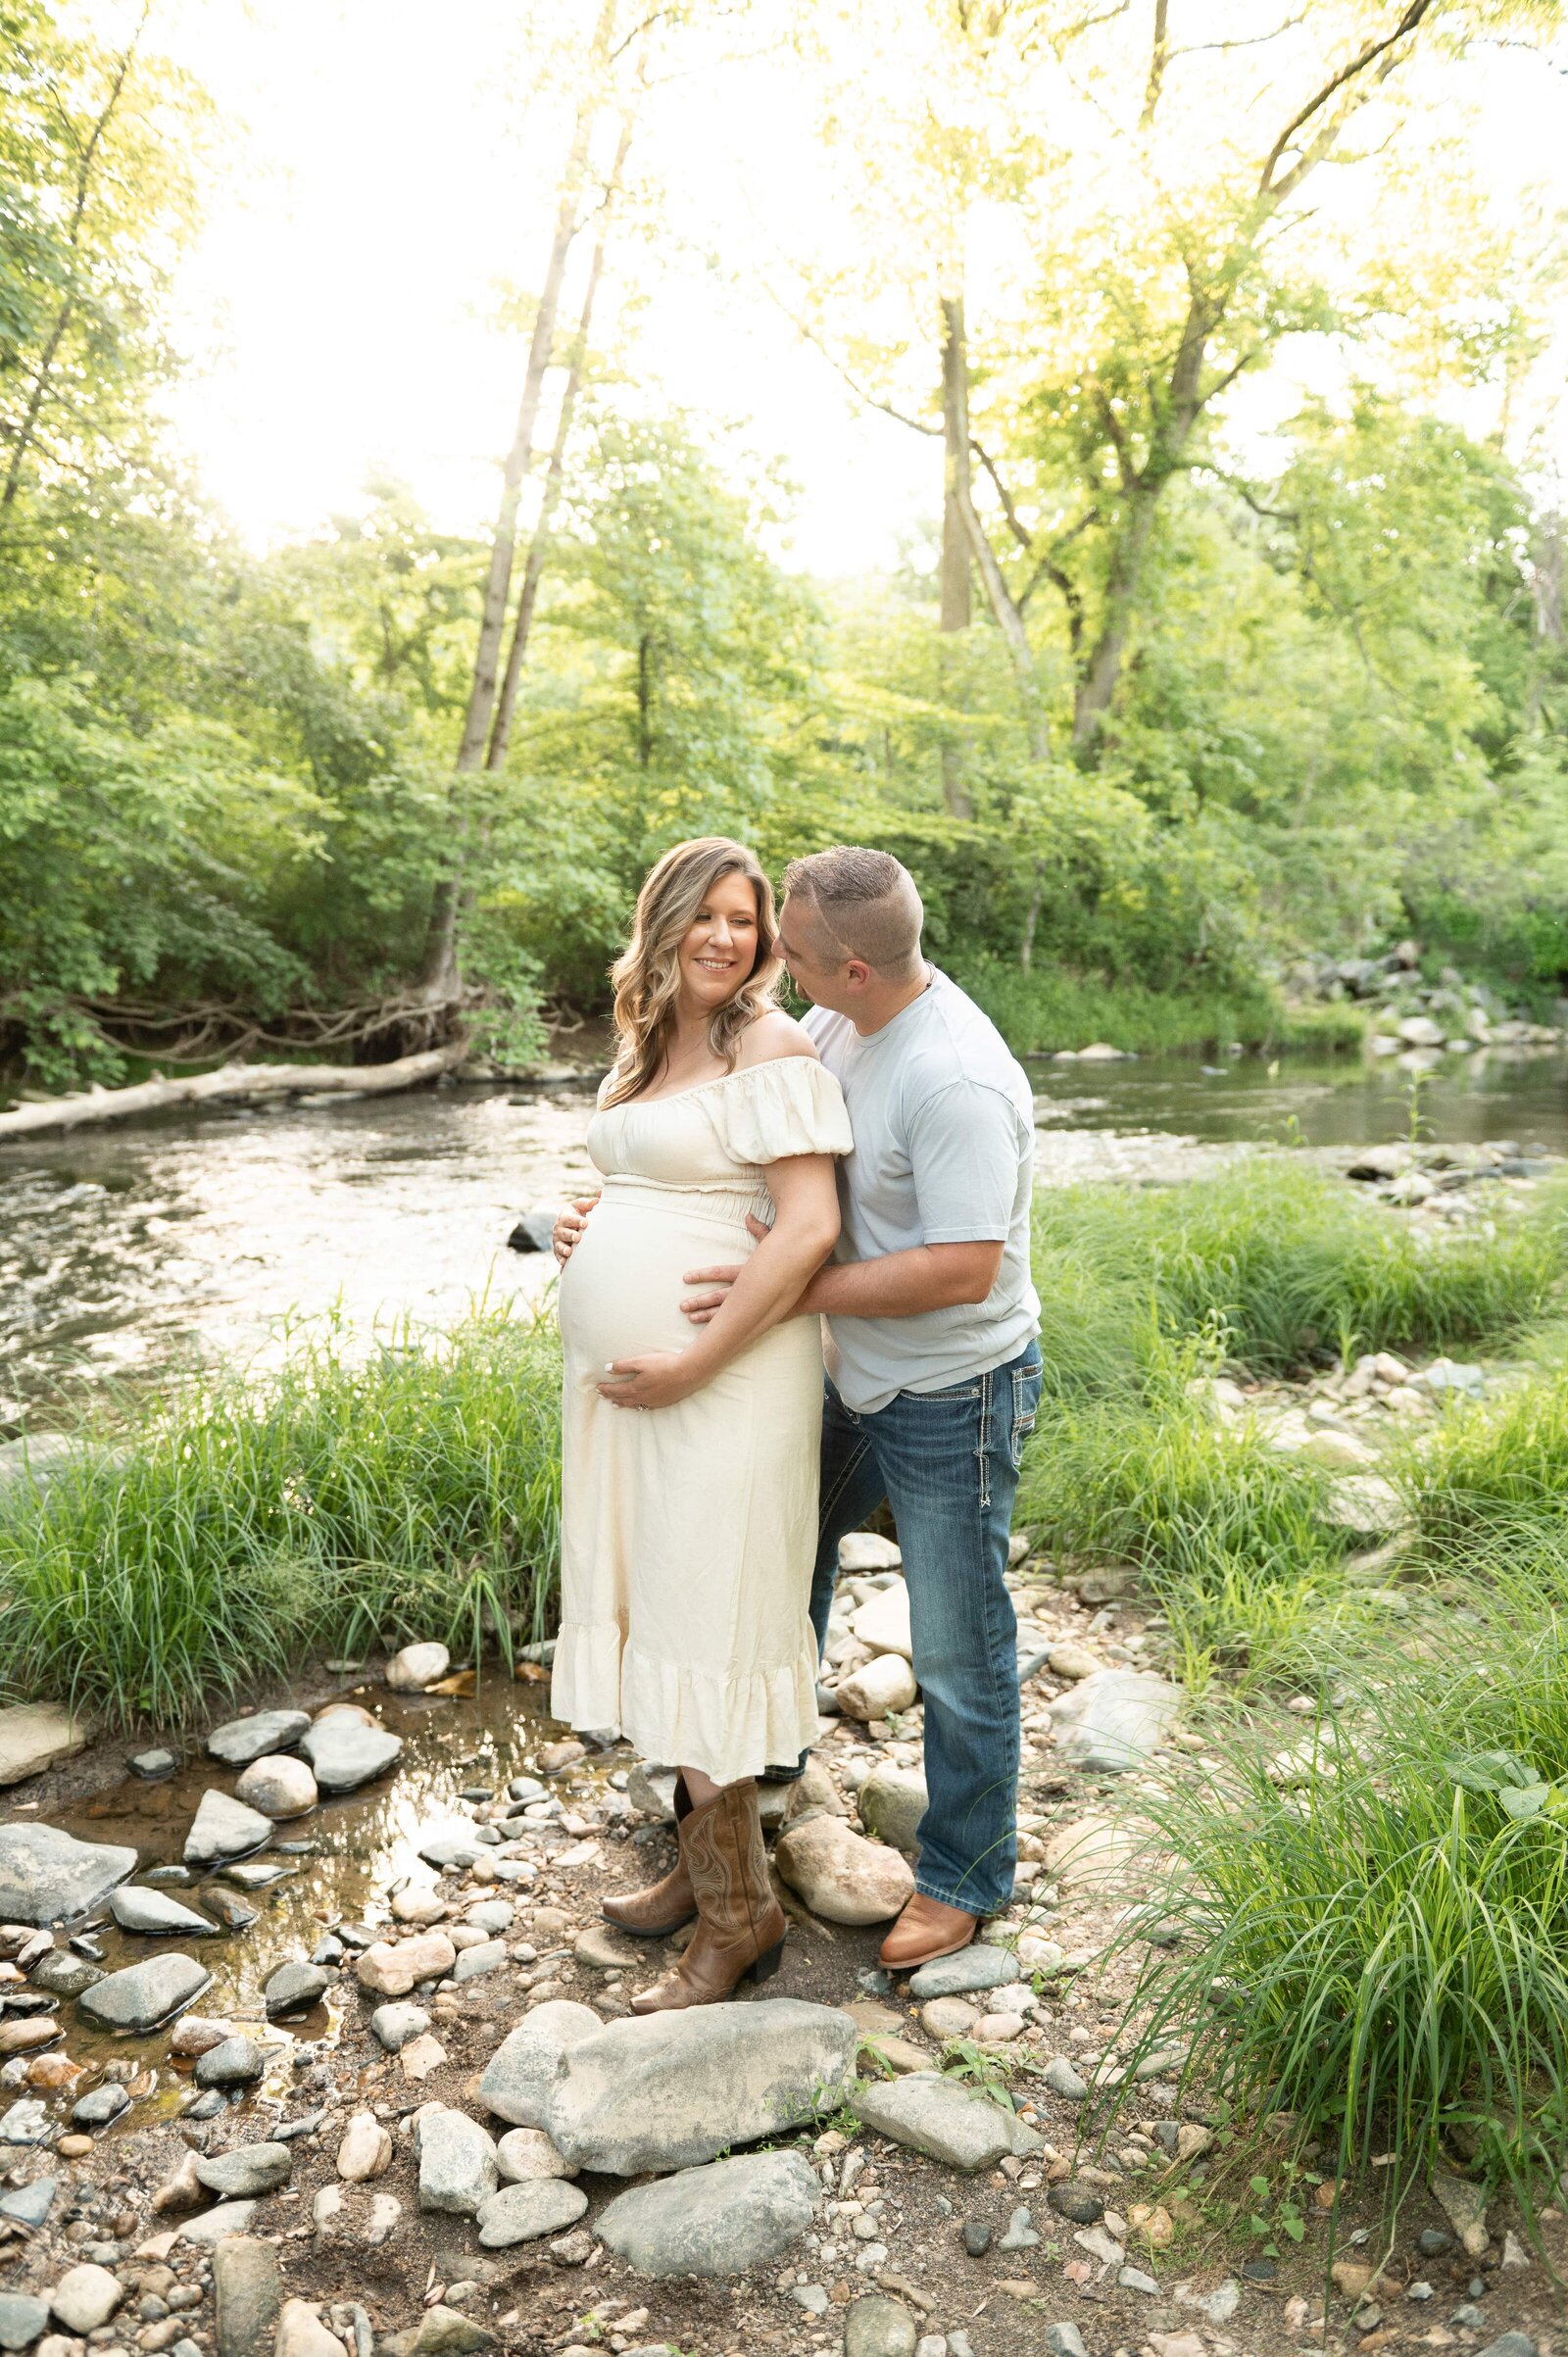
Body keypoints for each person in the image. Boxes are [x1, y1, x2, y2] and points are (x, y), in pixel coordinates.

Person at [680, 845, 1042, 1970]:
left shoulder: (956, 1079)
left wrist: (797, 1288)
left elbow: (962, 1267)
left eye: (785, 946)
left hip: (954, 1390)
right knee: (775, 1567)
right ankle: (761, 1782)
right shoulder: (840, 1019)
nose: (769, 961)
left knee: (956, 1642)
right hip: (843, 1368)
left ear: (850, 968)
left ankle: (964, 1874)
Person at [549, 836, 851, 2012]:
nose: (728, 936)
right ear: (664, 921)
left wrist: (689, 1363)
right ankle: (705, 1863)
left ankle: (740, 1917)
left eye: (747, 918)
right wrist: (589, 1220)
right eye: (708, 915)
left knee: (706, 1609)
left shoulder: (770, 1043)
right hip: (638, 1389)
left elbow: (807, 1225)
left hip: (725, 1381)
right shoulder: (647, 1045)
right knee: (661, 1603)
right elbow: (663, 1182)